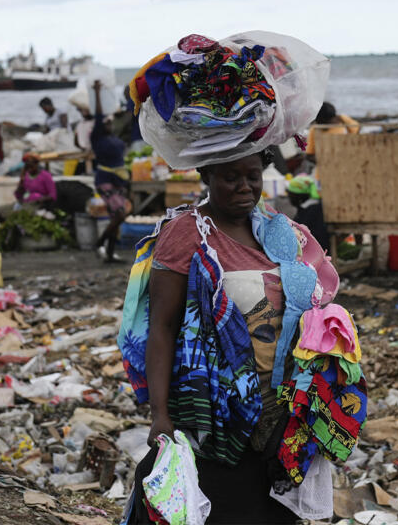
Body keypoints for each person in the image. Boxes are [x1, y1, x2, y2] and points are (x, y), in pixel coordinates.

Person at [119, 149, 363, 524]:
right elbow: (162, 329)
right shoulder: (186, 233)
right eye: (231, 177)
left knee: (269, 512)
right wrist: (160, 413)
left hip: (278, 413)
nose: (244, 186)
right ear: (208, 176)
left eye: (252, 175)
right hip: (212, 414)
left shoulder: (279, 232)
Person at [90, 80, 130, 263]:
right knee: (120, 214)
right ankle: (100, 242)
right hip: (105, 179)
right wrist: (97, 92)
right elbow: (98, 114)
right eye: (105, 122)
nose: (108, 123)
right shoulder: (97, 138)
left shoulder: (114, 137)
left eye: (109, 121)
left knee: (117, 217)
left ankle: (109, 254)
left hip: (118, 180)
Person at [286, 175, 330, 251]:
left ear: (299, 196)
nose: (289, 198)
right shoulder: (315, 207)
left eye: (290, 195)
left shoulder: (308, 213)